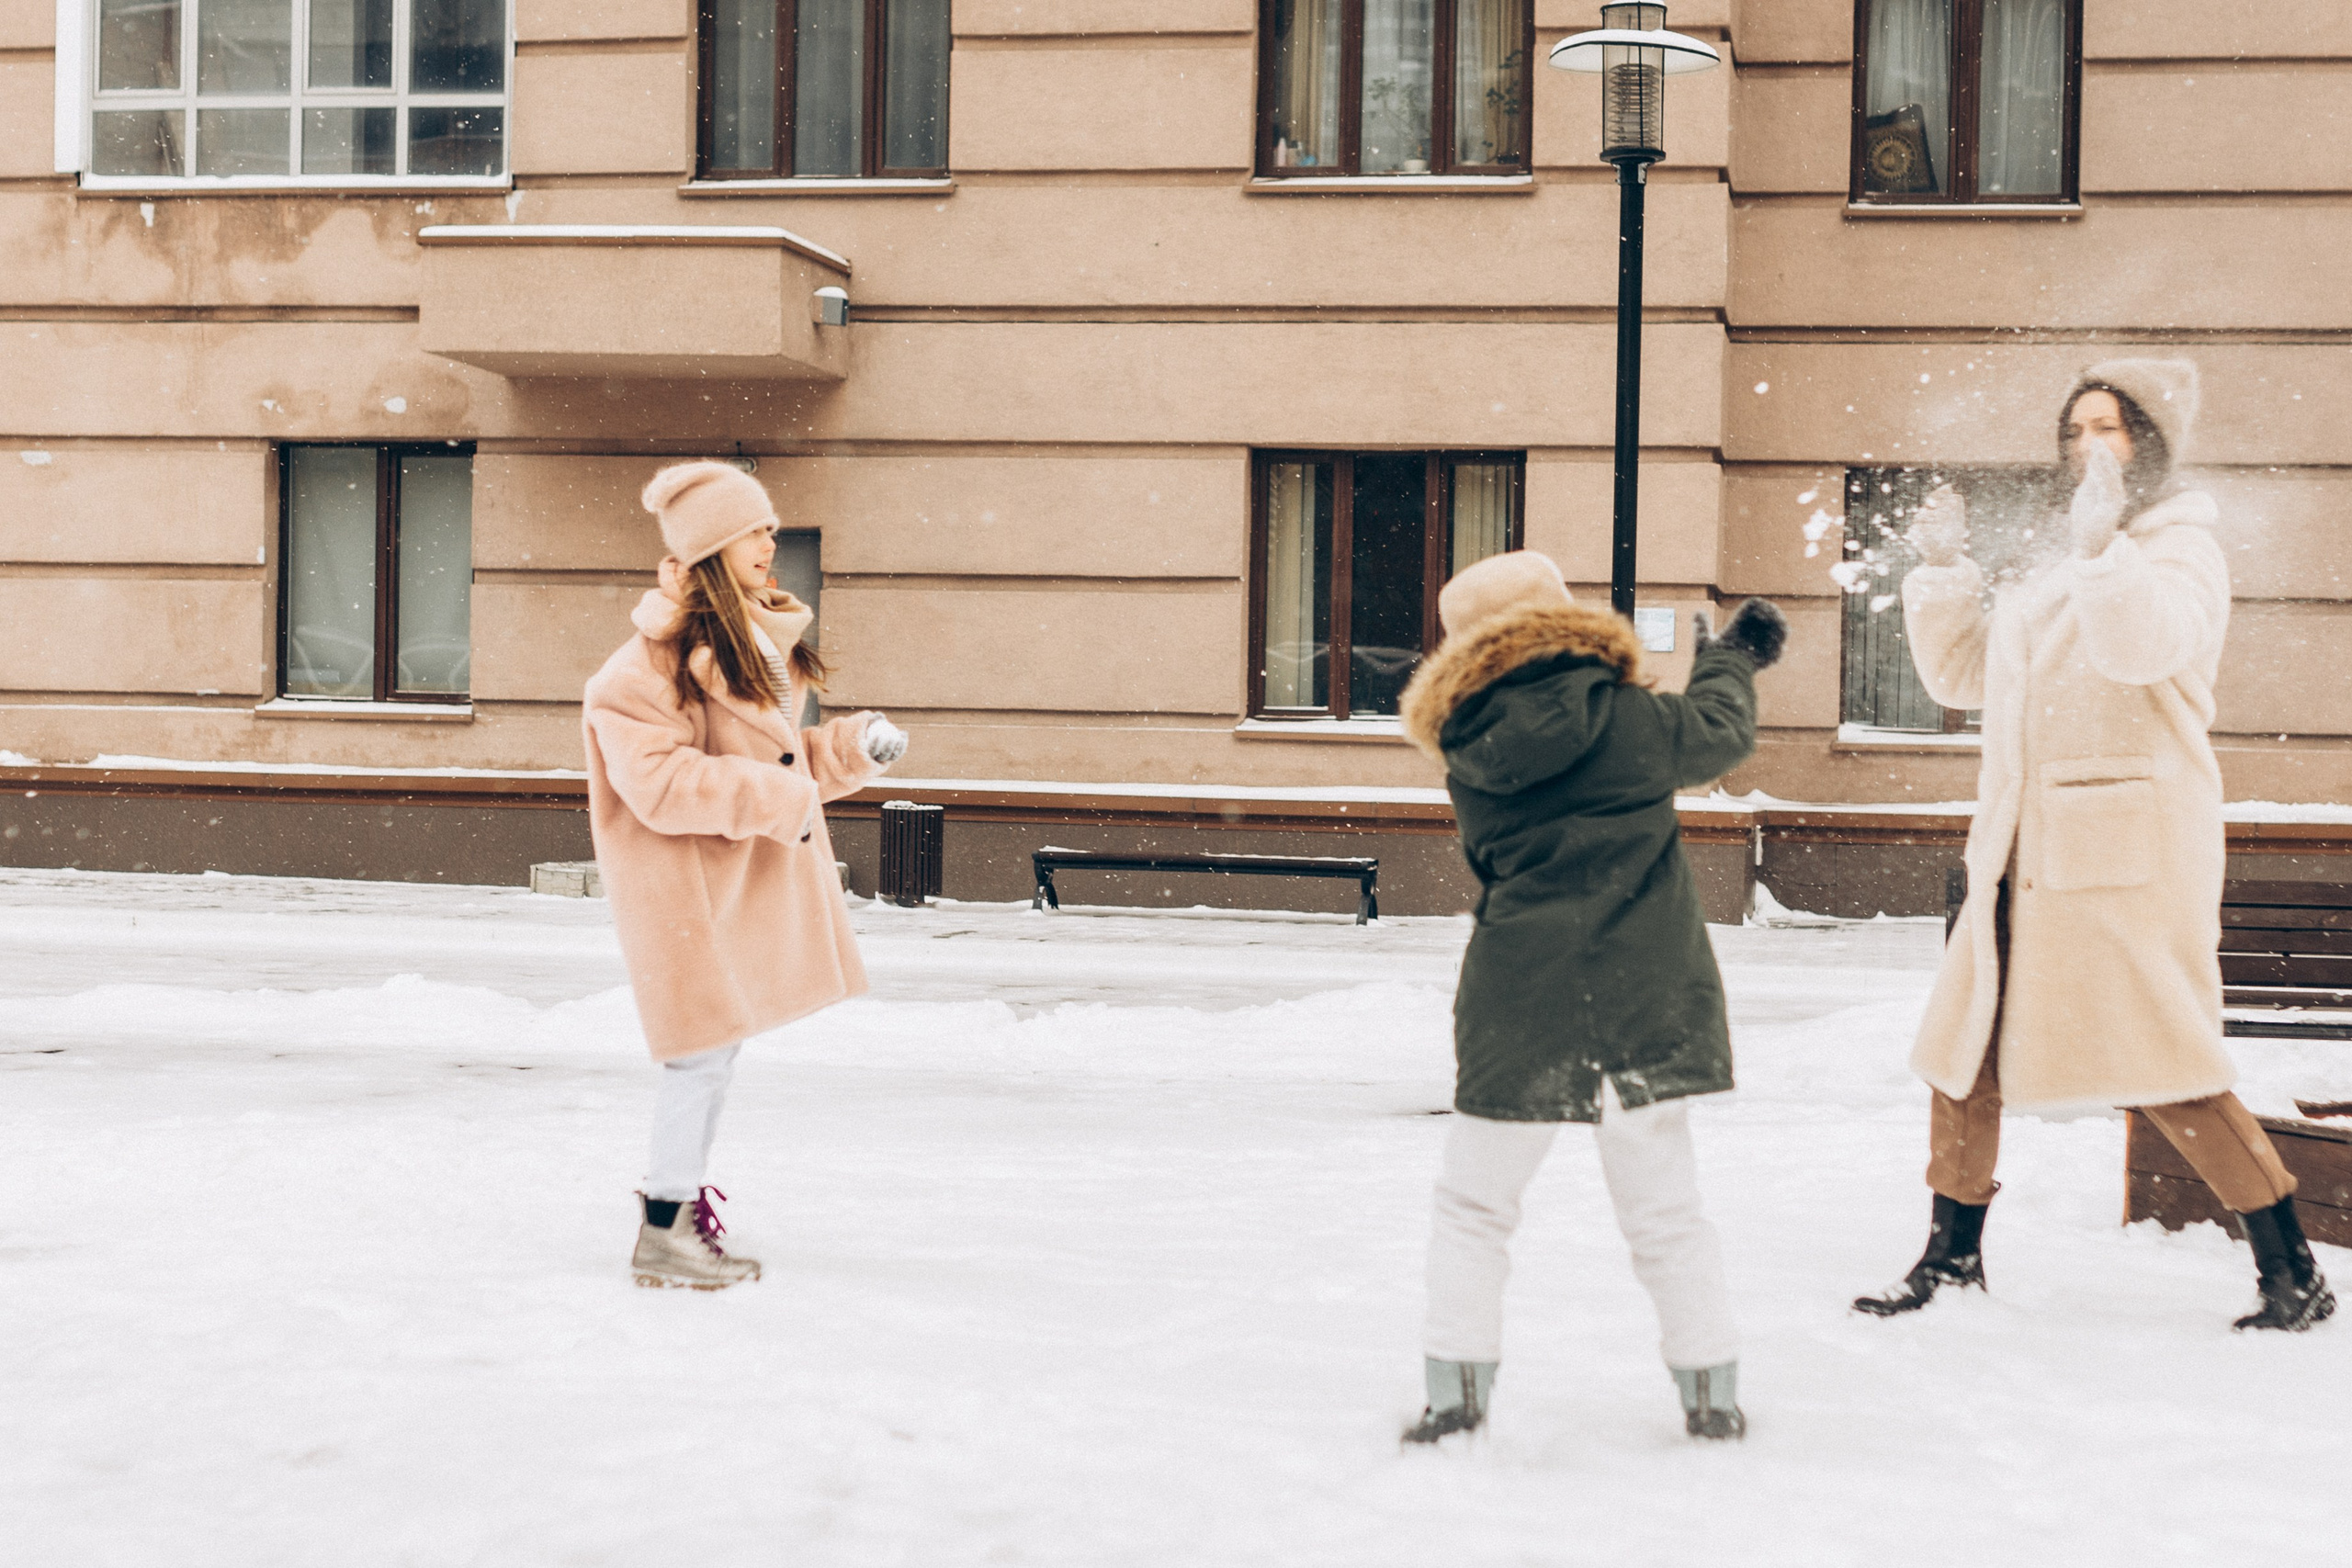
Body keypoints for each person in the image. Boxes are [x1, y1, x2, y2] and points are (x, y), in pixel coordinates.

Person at [1859, 359, 2334, 1333]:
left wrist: (2100, 554)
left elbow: (2140, 649)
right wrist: (1945, 572)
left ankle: (2291, 1266)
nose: (2086, 448)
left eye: (2108, 428)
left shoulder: (2177, 547)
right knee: (1965, 1052)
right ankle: (1951, 1259)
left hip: (2127, 852)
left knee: (2166, 1064)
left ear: (2147, 443)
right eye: (2073, 430)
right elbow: (1960, 679)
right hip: (2022, 847)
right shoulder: (2056, 556)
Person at [1394, 550, 1788, 1445]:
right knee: (1664, 1210)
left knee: (1473, 1207)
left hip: (1517, 994)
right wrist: (1731, 658)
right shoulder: (1631, 721)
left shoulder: (1464, 746)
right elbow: (1719, 732)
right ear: (1562, 618)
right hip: (1641, 988)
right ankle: (1709, 1397)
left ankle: (1454, 1395)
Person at [582, 461, 908, 1290]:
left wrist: (851, 746)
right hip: (681, 892)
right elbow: (661, 785)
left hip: (727, 884)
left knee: (712, 1055)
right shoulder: (638, 673)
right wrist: (782, 797)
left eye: (769, 527)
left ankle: (676, 1214)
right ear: (715, 548)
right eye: (755, 530)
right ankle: (663, 1228)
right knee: (698, 1055)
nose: (772, 542)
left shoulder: (749, 646)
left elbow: (781, 766)